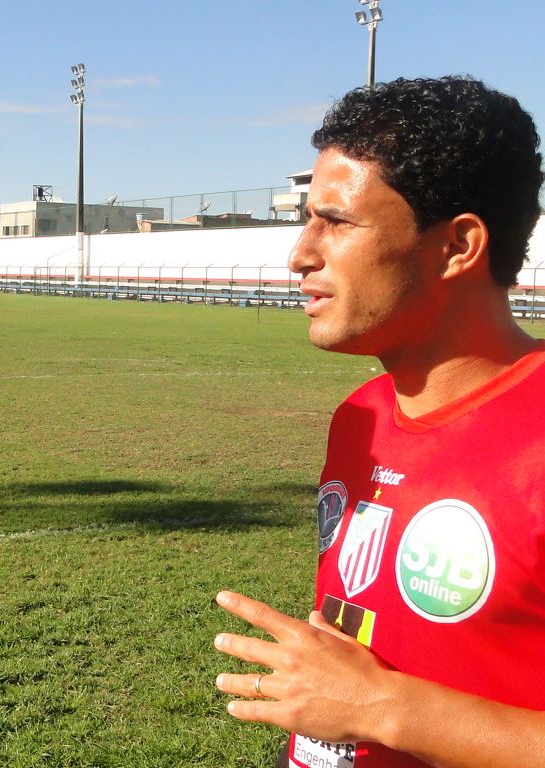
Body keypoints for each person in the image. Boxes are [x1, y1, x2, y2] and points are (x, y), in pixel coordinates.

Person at [213, 76, 545, 768]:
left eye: (335, 223)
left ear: (457, 246)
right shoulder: (359, 419)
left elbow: (367, 697)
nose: (301, 255)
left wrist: (381, 708)